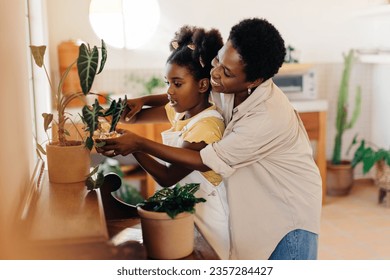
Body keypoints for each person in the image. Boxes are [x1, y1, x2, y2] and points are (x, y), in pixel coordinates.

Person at [98, 18, 322, 260]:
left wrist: (139, 144)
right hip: (254, 207)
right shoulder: (228, 86)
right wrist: (143, 101)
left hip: (288, 218)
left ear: (254, 81)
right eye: (218, 60)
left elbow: (204, 160)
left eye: (226, 72)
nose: (214, 73)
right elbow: (192, 92)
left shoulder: (266, 117)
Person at [99, 25, 230, 259]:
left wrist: (135, 146)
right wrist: (105, 117)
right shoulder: (181, 112)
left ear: (202, 85)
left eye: (177, 83)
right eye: (167, 82)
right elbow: (134, 117)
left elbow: (168, 176)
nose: (169, 91)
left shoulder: (207, 125)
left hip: (209, 223)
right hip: (185, 218)